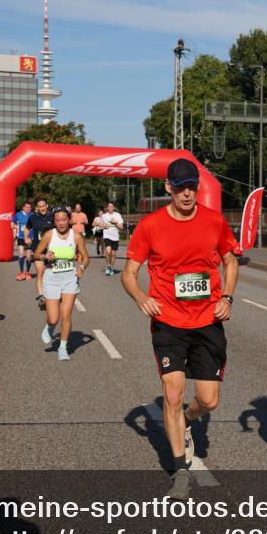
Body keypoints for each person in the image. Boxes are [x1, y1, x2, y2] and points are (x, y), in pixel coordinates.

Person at [122, 158, 238, 500]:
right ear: (168, 187)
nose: (187, 193)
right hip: (168, 323)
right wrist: (141, 297)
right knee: (172, 394)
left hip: (207, 321)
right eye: (181, 187)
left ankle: (188, 420)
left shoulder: (214, 222)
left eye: (192, 187)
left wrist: (228, 296)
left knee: (208, 400)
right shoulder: (151, 225)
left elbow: (230, 261)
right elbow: (129, 272)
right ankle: (179, 471)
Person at [34, 206, 90, 361]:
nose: (61, 223)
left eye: (64, 220)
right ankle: (50, 327)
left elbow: (86, 257)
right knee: (53, 318)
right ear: (54, 221)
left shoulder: (76, 236)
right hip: (51, 278)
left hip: (70, 278)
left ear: (69, 220)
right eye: (57, 220)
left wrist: (82, 268)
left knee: (66, 315)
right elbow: (36, 255)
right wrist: (45, 257)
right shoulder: (49, 235)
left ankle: (63, 348)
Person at [26, 198, 54, 309]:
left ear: (47, 205)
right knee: (40, 272)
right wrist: (27, 238)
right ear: (37, 207)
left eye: (44, 205)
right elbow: (27, 228)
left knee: (51, 272)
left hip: (51, 248)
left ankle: (51, 293)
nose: (42, 208)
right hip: (37, 248)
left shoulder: (52, 216)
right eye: (40, 206)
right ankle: (42, 296)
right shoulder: (33, 217)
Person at [12, 200, 34, 281]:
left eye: (29, 207)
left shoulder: (33, 215)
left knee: (28, 255)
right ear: (23, 207)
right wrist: (13, 227)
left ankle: (27, 272)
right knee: (21, 253)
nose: (28, 209)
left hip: (30, 238)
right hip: (21, 237)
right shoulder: (18, 214)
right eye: (26, 207)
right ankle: (21, 272)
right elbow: (13, 222)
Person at [101, 202, 124, 276]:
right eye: (109, 206)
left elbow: (121, 227)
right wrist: (103, 226)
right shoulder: (104, 216)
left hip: (115, 236)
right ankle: (108, 266)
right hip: (107, 235)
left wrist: (115, 223)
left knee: (113, 254)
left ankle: (111, 268)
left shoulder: (117, 215)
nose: (110, 208)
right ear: (107, 208)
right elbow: (98, 224)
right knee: (108, 251)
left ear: (114, 208)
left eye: (111, 206)